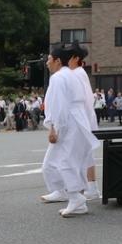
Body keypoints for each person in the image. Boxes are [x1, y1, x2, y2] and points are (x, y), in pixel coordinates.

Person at [40, 43, 100, 217]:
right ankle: (71, 194)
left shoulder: (59, 78)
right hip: (77, 121)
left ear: (58, 61)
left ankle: (75, 198)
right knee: (69, 162)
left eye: (50, 59)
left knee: (62, 162)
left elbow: (58, 105)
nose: (47, 63)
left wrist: (53, 127)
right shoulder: (72, 75)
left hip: (69, 123)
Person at [66, 42, 101, 201]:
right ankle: (90, 188)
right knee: (86, 155)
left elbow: (83, 100)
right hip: (85, 118)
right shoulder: (80, 73)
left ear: (75, 58)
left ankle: (88, 188)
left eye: (68, 56)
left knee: (82, 155)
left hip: (82, 119)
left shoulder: (77, 73)